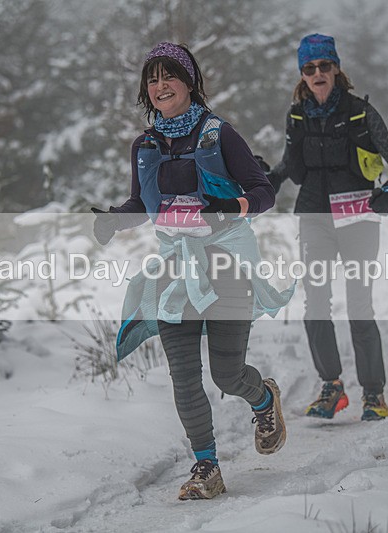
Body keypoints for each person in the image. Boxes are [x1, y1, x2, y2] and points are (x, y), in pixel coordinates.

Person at [91, 42, 292, 500]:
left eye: (169, 76)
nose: (160, 86)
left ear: (188, 82)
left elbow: (264, 192)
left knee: (226, 374)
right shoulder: (144, 145)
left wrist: (233, 205)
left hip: (225, 262)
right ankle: (207, 467)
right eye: (152, 78)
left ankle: (263, 398)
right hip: (175, 267)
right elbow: (143, 203)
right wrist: (113, 219)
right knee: (183, 375)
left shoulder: (218, 134)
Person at [268, 33, 388, 422]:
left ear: (336, 69)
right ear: (302, 74)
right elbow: (286, 165)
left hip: (357, 216)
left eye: (324, 66)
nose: (318, 73)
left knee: (359, 304)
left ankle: (373, 392)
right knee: (315, 305)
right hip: (314, 216)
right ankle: (331, 387)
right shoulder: (297, 115)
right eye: (310, 68)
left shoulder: (361, 113)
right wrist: (267, 179)